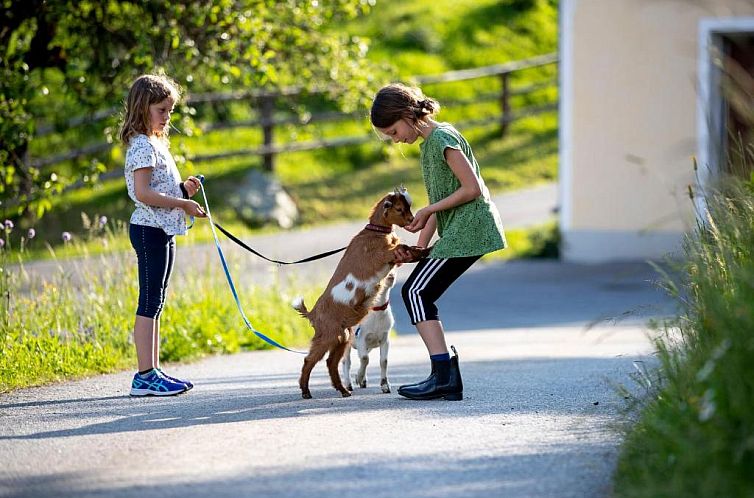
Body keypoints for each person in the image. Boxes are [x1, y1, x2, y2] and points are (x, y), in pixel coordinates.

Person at [370, 83, 506, 401]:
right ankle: (444, 376)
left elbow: (471, 188)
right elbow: (442, 200)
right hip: (460, 230)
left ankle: (443, 376)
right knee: (419, 292)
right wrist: (419, 245)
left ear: (406, 114)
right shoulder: (428, 145)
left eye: (393, 131)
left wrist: (430, 208)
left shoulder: (442, 138)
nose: (395, 139)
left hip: (470, 230)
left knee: (416, 292)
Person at [119, 74, 206, 396]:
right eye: (161, 110)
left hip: (161, 229)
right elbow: (142, 193)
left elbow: (158, 189)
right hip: (148, 230)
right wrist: (183, 203)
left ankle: (152, 370)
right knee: (149, 300)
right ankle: (144, 375)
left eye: (170, 110)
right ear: (143, 109)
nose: (167, 117)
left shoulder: (155, 143)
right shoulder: (142, 146)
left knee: (157, 300)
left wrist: (183, 190)